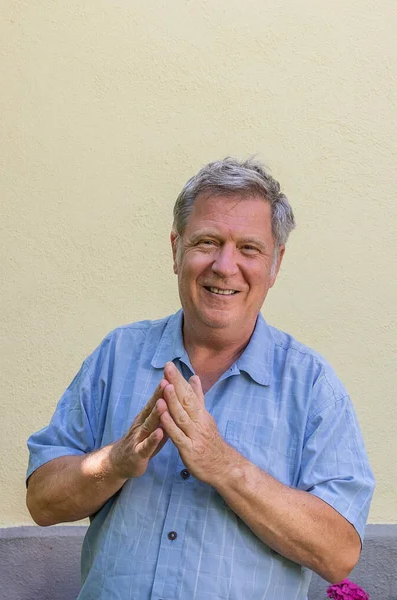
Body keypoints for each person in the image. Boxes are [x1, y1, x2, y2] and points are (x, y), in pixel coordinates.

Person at [26, 157, 375, 600]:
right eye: (207, 241)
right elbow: (41, 500)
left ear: (276, 263)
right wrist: (115, 464)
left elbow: (339, 553)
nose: (224, 266)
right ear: (176, 249)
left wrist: (225, 466)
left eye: (249, 248)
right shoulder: (116, 355)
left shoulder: (312, 387)